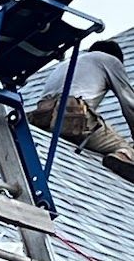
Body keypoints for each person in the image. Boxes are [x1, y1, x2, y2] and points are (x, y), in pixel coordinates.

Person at [27, 40, 134, 184]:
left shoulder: (67, 63)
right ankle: (122, 156)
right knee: (125, 147)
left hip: (43, 119)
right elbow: (129, 104)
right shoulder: (110, 61)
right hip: (73, 117)